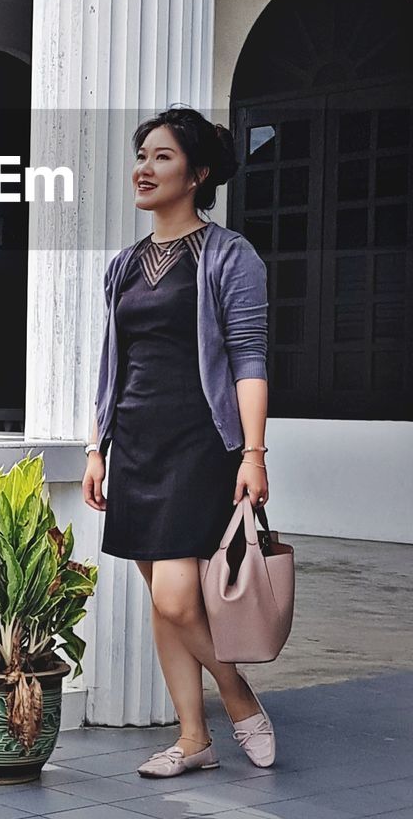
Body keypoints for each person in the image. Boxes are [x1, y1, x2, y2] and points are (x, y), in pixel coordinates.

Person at [82, 105, 277, 778]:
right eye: (142, 155)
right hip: (134, 443)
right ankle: (193, 740)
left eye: (162, 157)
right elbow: (114, 363)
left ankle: (237, 696)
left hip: (200, 444)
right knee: (170, 605)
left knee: (173, 600)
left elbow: (249, 358)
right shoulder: (124, 266)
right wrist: (96, 445)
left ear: (196, 174)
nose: (144, 168)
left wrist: (253, 453)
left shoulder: (229, 256)